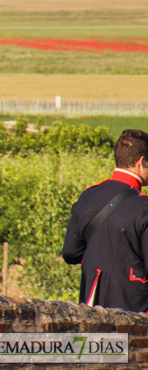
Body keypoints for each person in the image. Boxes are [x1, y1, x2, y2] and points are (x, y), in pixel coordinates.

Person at [63, 129, 148, 312]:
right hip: (134, 312)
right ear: (141, 162)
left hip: (90, 307)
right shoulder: (143, 206)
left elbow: (71, 253)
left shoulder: (87, 196)